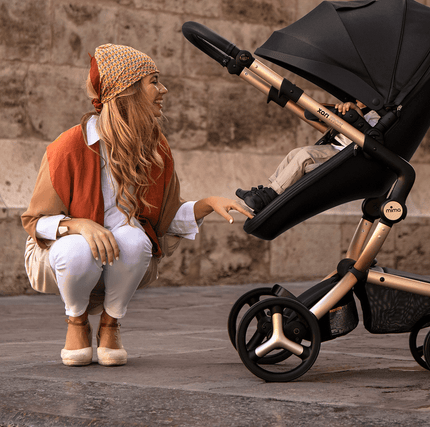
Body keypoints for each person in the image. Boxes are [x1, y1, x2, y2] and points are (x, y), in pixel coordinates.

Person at [22, 43, 252, 368]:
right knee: (77, 248)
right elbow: (35, 221)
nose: (163, 89)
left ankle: (110, 324)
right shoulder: (68, 147)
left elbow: (164, 219)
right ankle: (76, 321)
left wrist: (208, 204)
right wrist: (80, 225)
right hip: (58, 258)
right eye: (154, 81)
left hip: (119, 264)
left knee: (134, 238)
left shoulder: (155, 148)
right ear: (127, 90)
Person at [236, 101, 380, 212]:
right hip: (335, 148)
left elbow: (368, 140)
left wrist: (357, 114)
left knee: (305, 156)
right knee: (295, 153)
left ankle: (268, 196)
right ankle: (267, 192)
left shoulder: (374, 116)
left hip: (348, 154)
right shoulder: (358, 109)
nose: (357, 100)